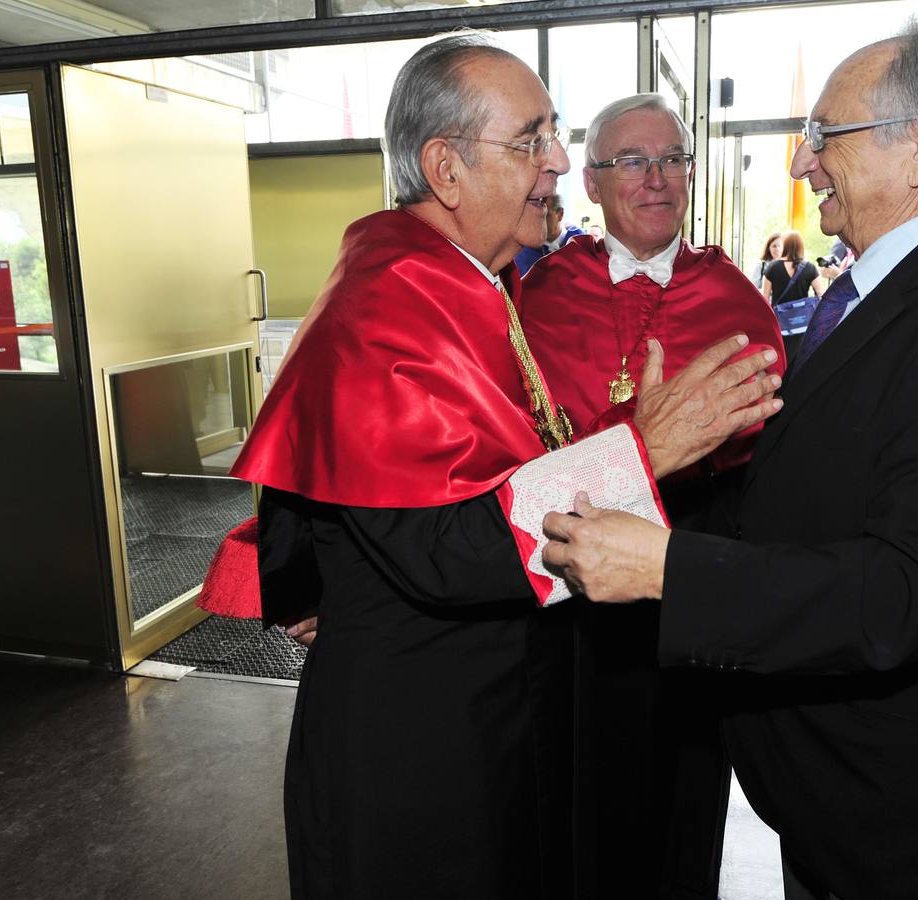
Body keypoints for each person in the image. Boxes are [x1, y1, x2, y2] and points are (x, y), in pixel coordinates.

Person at [223, 35, 782, 898]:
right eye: (531, 139)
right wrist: (646, 450)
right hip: (424, 748)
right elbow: (450, 547)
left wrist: (321, 581)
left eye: (554, 135)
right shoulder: (389, 309)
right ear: (445, 168)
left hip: (479, 714)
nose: (559, 161)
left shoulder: (463, 284)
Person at [544, 13, 918, 900]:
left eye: (826, 135)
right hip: (846, 798)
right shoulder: (885, 292)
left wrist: (675, 567)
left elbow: (916, 589)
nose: (800, 161)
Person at [519, 92, 786, 899]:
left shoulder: (735, 296)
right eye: (631, 161)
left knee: (682, 791)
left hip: (686, 570)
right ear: (593, 184)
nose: (656, 178)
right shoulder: (538, 296)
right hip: (565, 580)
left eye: (671, 159)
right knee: (572, 787)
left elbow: (761, 441)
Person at [514, 191, 584, 274]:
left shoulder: (581, 245)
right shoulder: (523, 252)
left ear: (560, 214)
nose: (538, 222)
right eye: (536, 215)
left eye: (545, 215)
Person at [762, 230, 826, 304]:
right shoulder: (810, 268)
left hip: (778, 315)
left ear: (784, 245)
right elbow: (821, 295)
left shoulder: (772, 267)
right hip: (802, 314)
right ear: (801, 246)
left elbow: (765, 299)